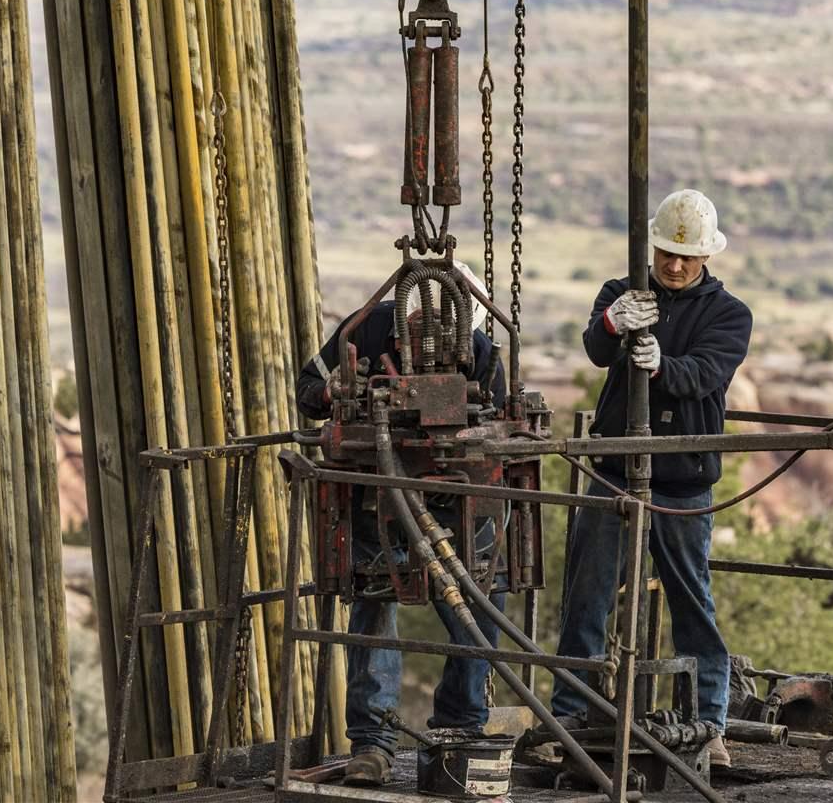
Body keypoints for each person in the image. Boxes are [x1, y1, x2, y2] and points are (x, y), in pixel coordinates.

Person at [552, 189, 752, 767]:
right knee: (588, 600)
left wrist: (663, 364)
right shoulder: (623, 294)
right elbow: (594, 348)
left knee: (692, 605)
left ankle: (708, 722)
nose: (674, 263)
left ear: (706, 257)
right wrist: (613, 324)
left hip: (680, 481)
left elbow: (706, 374)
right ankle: (571, 710)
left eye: (685, 256)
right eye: (666, 251)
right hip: (617, 472)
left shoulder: (728, 315)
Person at [296, 261, 507, 786]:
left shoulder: (480, 352)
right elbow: (307, 389)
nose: (427, 345)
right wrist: (333, 391)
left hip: (454, 498)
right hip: (377, 496)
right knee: (373, 602)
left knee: (480, 601)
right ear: (402, 321)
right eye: (417, 333)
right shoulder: (365, 328)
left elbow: (502, 422)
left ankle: (460, 728)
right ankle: (373, 742)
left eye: (442, 338)